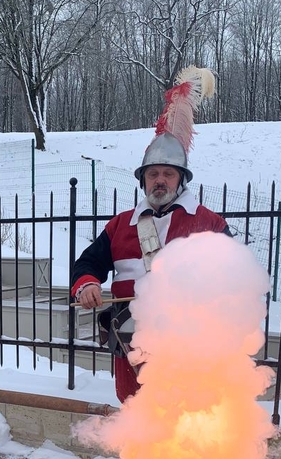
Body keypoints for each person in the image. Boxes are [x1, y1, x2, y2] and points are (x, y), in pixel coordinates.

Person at [71, 67, 230, 403]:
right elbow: (89, 264)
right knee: (134, 423)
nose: (160, 180)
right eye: (153, 173)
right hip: (129, 338)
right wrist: (86, 284)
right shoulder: (119, 225)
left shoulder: (209, 224)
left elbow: (233, 284)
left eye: (167, 173)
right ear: (143, 180)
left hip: (187, 348)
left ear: (180, 178)